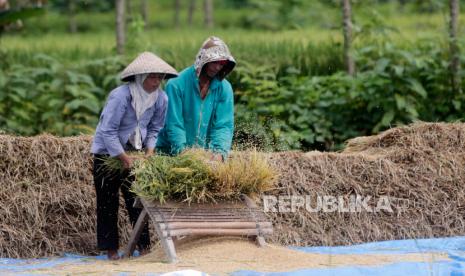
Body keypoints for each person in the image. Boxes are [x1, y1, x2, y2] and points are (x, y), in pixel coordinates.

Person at [90, 52, 178, 260]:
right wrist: (122, 158)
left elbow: (155, 128)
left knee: (138, 201)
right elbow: (107, 131)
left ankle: (143, 247)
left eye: (159, 77)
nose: (157, 82)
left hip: (135, 152)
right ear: (140, 77)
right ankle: (111, 250)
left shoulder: (161, 99)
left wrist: (149, 152)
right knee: (107, 202)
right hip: (107, 154)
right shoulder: (121, 97)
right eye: (152, 77)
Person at [156, 36, 236, 160]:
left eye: (222, 63)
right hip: (168, 153)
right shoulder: (176, 85)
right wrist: (184, 154)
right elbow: (174, 124)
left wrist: (219, 153)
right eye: (214, 62)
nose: (217, 67)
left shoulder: (224, 88)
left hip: (201, 154)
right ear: (203, 60)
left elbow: (223, 125)